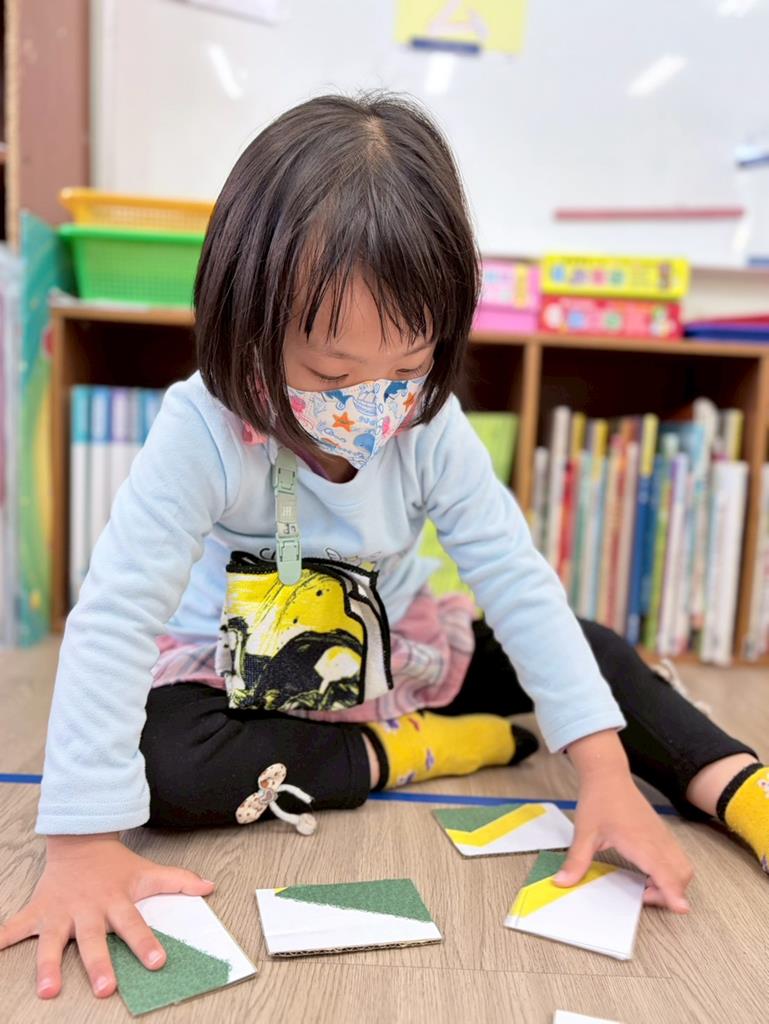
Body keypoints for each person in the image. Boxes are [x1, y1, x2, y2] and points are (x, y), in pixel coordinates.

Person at [1, 94, 766, 1004]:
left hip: (397, 652)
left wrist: (601, 771)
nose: (372, 405)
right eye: (331, 373)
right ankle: (409, 750)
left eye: (408, 368)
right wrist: (83, 846)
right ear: (245, 321)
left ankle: (737, 787)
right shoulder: (199, 428)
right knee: (167, 766)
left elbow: (514, 579)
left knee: (590, 648)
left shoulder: (430, 428)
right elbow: (117, 614)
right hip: (238, 675)